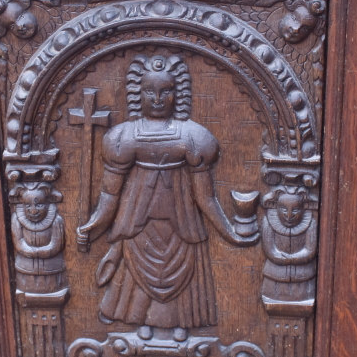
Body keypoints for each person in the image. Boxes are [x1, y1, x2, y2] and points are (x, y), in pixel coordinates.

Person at [76, 51, 256, 342]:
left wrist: (231, 233)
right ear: (138, 94)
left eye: (166, 91)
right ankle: (140, 321)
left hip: (181, 222)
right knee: (137, 270)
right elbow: (110, 194)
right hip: (137, 223)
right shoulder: (123, 137)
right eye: (150, 91)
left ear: (177, 95)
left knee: (182, 268)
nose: (158, 99)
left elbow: (206, 198)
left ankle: (180, 324)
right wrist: (92, 226)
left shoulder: (193, 136)